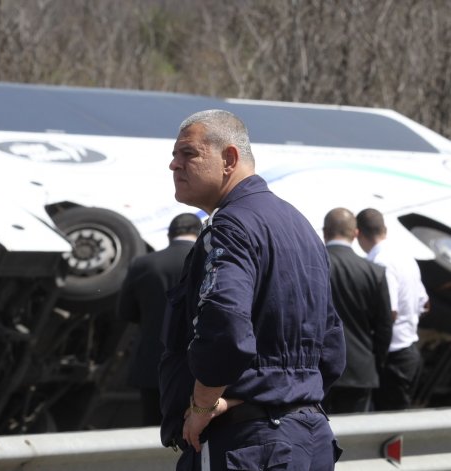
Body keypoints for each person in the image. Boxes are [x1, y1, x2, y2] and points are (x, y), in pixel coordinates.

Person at [159, 109, 345, 470]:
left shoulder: (230, 225)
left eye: (188, 154)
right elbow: (332, 348)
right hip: (308, 438)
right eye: (174, 154)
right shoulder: (301, 226)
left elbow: (224, 327)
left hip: (248, 444)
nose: (173, 165)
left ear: (229, 158)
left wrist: (202, 405)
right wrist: (286, 394)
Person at [118, 212, 202, 426]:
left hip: (152, 363)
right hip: (198, 365)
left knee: (154, 429)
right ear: (200, 233)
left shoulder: (143, 264)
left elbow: (125, 312)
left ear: (169, 235)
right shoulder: (209, 262)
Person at [356, 208, 430, 410]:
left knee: (386, 430)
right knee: (397, 426)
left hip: (391, 357)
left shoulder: (378, 263)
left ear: (358, 233)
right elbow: (425, 304)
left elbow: (390, 312)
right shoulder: (406, 257)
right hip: (410, 351)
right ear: (385, 229)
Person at [322, 207, 393, 414]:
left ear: (325, 231)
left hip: (317, 369)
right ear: (355, 233)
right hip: (361, 370)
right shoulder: (375, 272)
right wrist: (375, 361)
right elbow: (384, 327)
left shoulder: (310, 266)